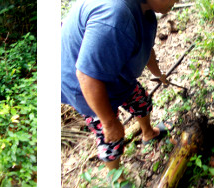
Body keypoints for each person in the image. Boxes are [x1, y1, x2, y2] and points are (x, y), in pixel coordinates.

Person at [61, 0, 179, 171]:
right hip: (86, 86)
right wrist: (109, 122)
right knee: (111, 137)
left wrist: (158, 74)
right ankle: (117, 178)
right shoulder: (114, 16)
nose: (178, 0)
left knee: (141, 101)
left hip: (112, 71)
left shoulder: (144, 11)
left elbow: (147, 49)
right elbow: (86, 76)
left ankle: (148, 133)